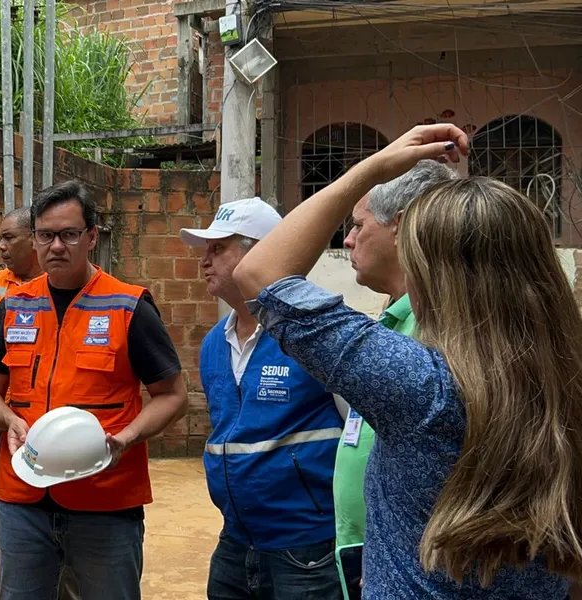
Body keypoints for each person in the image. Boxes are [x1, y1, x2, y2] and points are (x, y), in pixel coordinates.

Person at [233, 123, 582, 598]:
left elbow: (260, 273)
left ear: (437, 275)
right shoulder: (565, 380)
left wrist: (373, 168)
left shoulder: (422, 385)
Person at [0, 180, 187, 600]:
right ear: (34, 239)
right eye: (45, 235)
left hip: (105, 501)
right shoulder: (13, 307)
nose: (56, 246)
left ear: (91, 237)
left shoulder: (128, 306)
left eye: (69, 234)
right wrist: (9, 419)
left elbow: (173, 395)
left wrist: (127, 437)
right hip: (24, 498)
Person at [179, 197, 343, 599]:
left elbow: (361, 434)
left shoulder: (310, 333)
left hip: (307, 547)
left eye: (218, 248)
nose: (204, 261)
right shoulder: (214, 343)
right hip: (235, 541)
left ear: (262, 253)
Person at [334, 160, 455, 597]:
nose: (348, 239)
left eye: (358, 224)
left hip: (408, 567)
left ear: (401, 227)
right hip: (373, 557)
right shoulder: (392, 318)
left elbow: (263, 275)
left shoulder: (439, 330)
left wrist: (373, 168)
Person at [0, 206, 72, 600]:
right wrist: (16, 333)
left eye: (9, 238)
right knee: (3, 524)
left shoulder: (59, 283)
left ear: (33, 239)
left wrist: (3, 336)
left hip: (53, 424)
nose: (1, 247)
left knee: (66, 521)